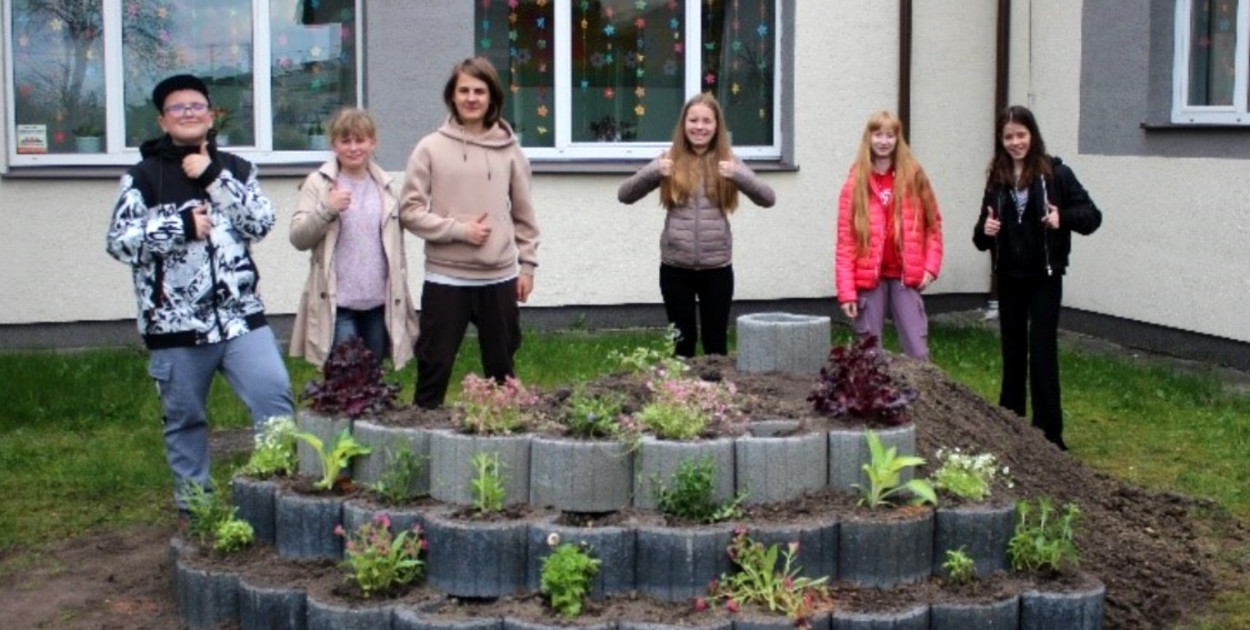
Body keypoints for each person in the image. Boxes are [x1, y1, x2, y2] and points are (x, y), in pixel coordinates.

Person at [105, 74, 294, 511]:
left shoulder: (236, 169)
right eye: (178, 107)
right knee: (185, 421)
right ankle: (197, 510)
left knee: (274, 399)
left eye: (196, 106)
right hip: (175, 327)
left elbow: (260, 224)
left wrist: (212, 176)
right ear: (163, 121)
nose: (188, 113)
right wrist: (179, 227)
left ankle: (276, 497)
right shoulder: (142, 178)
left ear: (211, 116)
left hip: (241, 318)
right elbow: (119, 243)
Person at [399, 57, 540, 409]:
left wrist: (527, 266)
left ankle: (506, 431)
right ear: (452, 95)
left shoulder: (510, 150)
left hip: (499, 276)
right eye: (464, 91)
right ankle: (421, 432)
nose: (472, 98)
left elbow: (524, 214)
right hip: (446, 277)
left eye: (480, 91)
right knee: (434, 365)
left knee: (502, 368)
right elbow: (409, 212)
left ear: (492, 98)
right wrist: (459, 231)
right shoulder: (430, 148)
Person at [973, 105, 1102, 450]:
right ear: (1001, 140)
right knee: (1013, 353)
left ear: (1032, 135)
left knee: (1042, 353)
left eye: (1021, 135)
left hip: (1045, 277)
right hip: (1009, 278)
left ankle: (1048, 434)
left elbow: (1092, 216)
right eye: (1008, 137)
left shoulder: (1056, 174)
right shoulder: (997, 178)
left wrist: (1063, 219)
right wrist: (986, 230)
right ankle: (1010, 425)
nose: (1015, 142)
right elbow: (980, 238)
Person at [617, 93, 776, 358]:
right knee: (682, 343)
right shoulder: (669, 159)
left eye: (706, 121)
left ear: (716, 126)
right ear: (684, 124)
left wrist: (738, 175)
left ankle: (715, 385)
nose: (699, 127)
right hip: (675, 267)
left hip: (717, 268)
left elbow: (768, 199)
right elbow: (625, 195)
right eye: (693, 120)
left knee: (716, 342)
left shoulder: (728, 161)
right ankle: (681, 386)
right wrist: (654, 171)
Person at [289, 107, 418, 370]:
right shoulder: (319, 184)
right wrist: (327, 208)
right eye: (345, 141)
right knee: (344, 377)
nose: (353, 148)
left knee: (371, 379)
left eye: (360, 140)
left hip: (379, 303)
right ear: (334, 144)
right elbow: (298, 238)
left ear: (373, 142)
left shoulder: (386, 187)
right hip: (337, 305)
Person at [835, 110, 943, 361]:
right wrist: (846, 292)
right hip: (868, 280)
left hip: (905, 276)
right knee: (869, 354)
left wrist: (931, 266)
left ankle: (918, 388)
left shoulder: (914, 176)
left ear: (898, 139)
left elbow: (933, 225)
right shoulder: (855, 182)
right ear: (869, 138)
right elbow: (845, 241)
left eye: (890, 135)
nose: (883, 141)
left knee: (917, 351)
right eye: (878, 135)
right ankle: (872, 388)